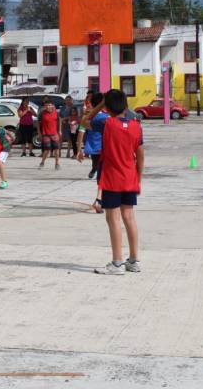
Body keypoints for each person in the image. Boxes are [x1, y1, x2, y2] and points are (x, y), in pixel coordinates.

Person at [84, 89, 144, 275]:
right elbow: (140, 156)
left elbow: (84, 121)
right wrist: (138, 180)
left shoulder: (106, 122)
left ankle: (117, 263)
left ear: (107, 107)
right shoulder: (136, 125)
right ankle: (133, 260)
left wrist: (100, 105)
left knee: (113, 219)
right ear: (126, 105)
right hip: (130, 177)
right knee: (129, 217)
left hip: (112, 179)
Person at [78, 92, 107, 213]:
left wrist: (79, 149)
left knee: (100, 172)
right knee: (104, 174)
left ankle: (100, 198)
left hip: (94, 149)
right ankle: (100, 199)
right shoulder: (106, 118)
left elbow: (81, 131)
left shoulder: (88, 117)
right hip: (104, 149)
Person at [38, 99, 61, 170]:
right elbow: (38, 123)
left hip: (54, 134)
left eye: (49, 105)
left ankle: (57, 163)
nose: (48, 106)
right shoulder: (42, 113)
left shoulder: (56, 113)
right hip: (45, 134)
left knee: (56, 149)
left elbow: (59, 121)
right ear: (44, 106)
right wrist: (39, 133)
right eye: (46, 105)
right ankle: (42, 162)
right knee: (47, 150)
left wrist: (60, 130)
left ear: (52, 106)